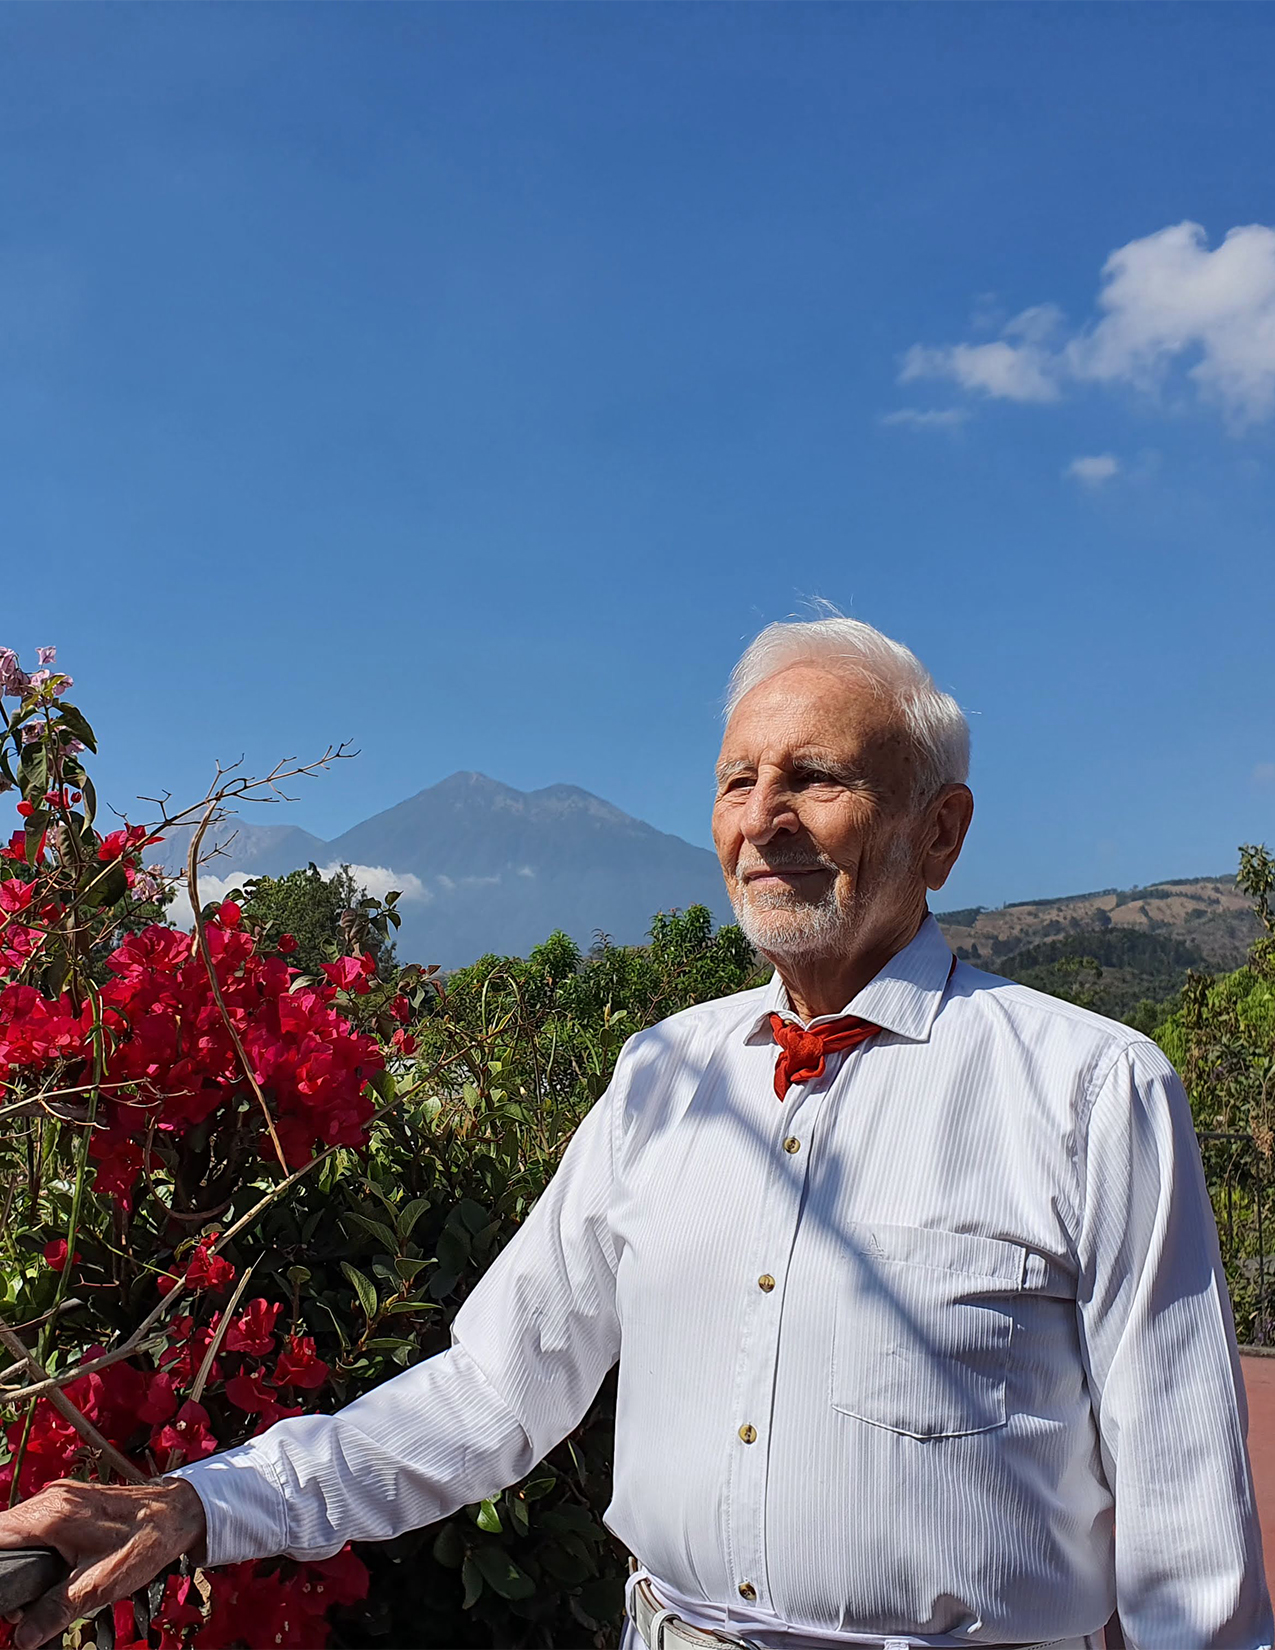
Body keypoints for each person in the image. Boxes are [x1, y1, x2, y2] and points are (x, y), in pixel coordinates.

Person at [0, 615, 1269, 1650]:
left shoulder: (1095, 1092)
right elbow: (496, 1389)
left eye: (814, 777)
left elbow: (1186, 1531)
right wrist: (197, 1506)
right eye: (736, 779)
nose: (760, 817)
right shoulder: (665, 1075)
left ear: (940, 832)